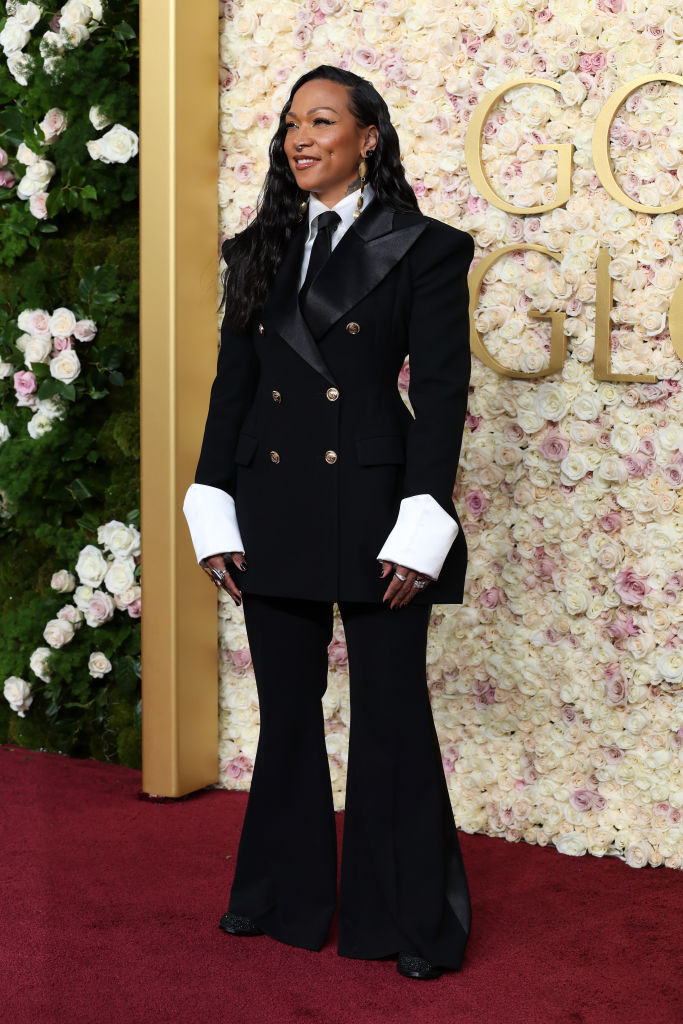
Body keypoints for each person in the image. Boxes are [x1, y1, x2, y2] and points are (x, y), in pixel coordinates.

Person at [183, 65, 475, 981]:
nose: (298, 138)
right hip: (270, 506)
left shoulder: (424, 247)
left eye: (321, 121)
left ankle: (408, 923)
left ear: (367, 138)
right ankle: (280, 897)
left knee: (389, 716)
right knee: (286, 715)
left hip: (380, 509)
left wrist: (425, 515)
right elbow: (235, 389)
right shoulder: (255, 249)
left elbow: (440, 388)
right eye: (289, 125)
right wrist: (210, 500)